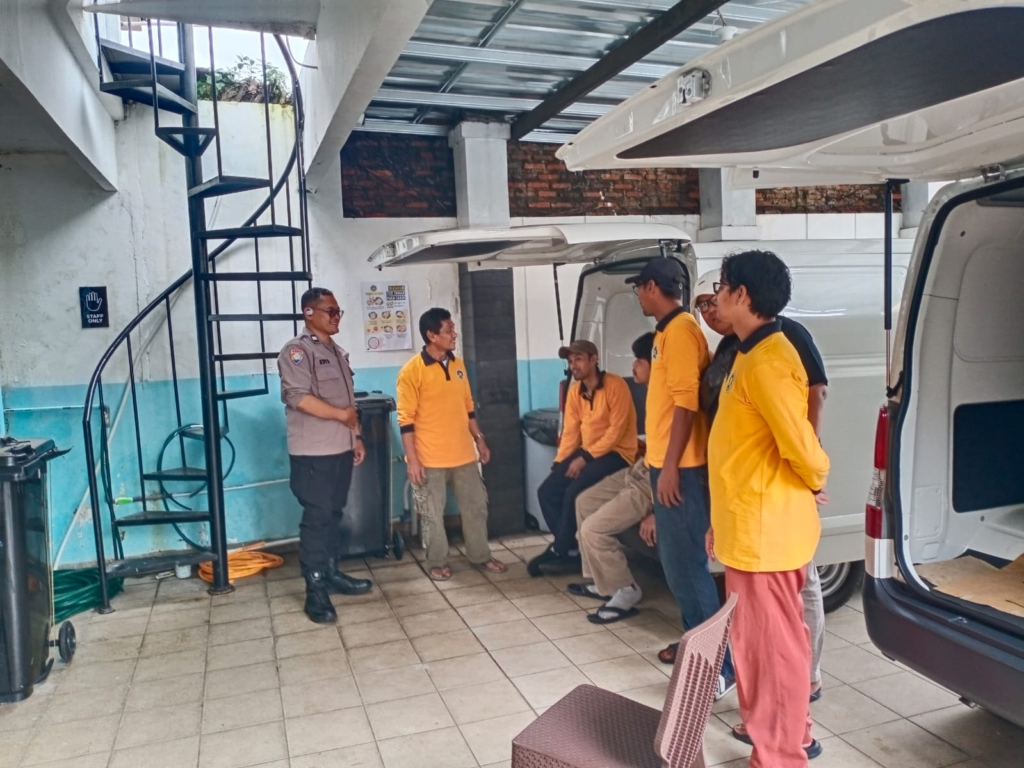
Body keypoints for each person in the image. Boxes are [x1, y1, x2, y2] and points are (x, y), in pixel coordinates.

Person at [707, 250, 831, 767]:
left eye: (722, 286)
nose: (715, 296)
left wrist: (813, 479)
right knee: (769, 647)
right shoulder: (748, 353)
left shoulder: (772, 360)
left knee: (771, 652)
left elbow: (801, 446)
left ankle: (780, 755)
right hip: (748, 526)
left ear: (742, 295)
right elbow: (744, 449)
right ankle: (789, 736)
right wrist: (720, 522)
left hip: (765, 535)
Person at [626, 257, 735, 697]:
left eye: (638, 287)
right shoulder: (665, 333)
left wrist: (670, 467)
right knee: (678, 571)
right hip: (667, 465)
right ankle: (699, 656)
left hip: (684, 470)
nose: (638, 294)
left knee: (688, 570)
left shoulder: (683, 331)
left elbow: (687, 405)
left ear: (652, 286)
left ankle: (719, 669)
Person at [278, 287, 373, 625]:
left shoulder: (336, 352)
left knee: (334, 514)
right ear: (308, 313)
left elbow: (349, 402)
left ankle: (331, 572)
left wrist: (356, 436)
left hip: (340, 448)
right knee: (317, 520)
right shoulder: (297, 351)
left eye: (338, 311)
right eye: (329, 311)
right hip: (314, 452)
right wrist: (341, 417)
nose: (336, 317)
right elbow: (298, 397)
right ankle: (314, 590)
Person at [397, 308, 508, 582]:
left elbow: (468, 407)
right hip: (429, 459)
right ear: (431, 335)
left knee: (477, 507)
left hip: (463, 455)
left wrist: (479, 439)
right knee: (432, 515)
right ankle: (437, 561)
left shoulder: (458, 365)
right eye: (448, 330)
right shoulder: (411, 371)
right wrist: (413, 460)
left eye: (453, 329)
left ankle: (480, 555)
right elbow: (406, 421)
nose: (454, 334)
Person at [528, 340, 638, 576]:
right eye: (570, 361)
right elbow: (570, 432)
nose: (573, 365)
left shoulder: (616, 386)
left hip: (618, 453)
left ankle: (560, 549)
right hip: (588, 452)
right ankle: (570, 550)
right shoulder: (575, 391)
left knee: (574, 491)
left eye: (578, 359)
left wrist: (584, 458)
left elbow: (615, 432)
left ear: (594, 359)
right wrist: (560, 463)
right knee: (547, 491)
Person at [567, 332, 656, 623]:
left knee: (592, 530)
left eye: (639, 360)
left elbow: (680, 463)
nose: (633, 366)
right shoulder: (654, 395)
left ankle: (626, 589)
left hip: (651, 482)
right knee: (583, 501)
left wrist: (655, 510)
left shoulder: (671, 401)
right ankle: (601, 581)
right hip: (639, 469)